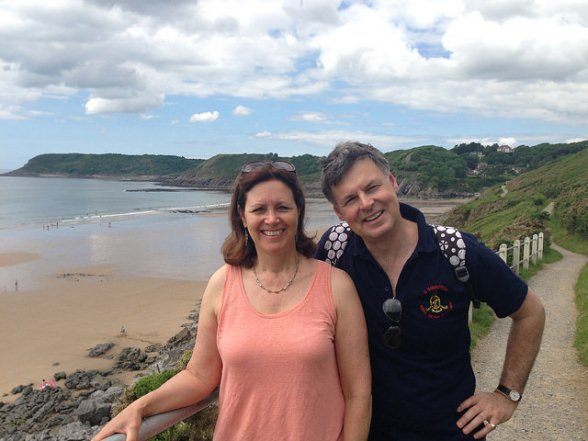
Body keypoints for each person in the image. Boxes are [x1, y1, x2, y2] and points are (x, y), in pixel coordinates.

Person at [92, 160, 371, 441]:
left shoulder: (336, 286)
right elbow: (200, 376)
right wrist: (139, 407)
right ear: (242, 215)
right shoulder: (221, 284)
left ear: (299, 211)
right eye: (259, 209)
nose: (272, 219)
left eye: (283, 207)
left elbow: (358, 394)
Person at [315, 142, 545, 441]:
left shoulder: (457, 251)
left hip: (449, 432)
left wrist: (506, 394)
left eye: (372, 187)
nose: (366, 203)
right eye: (350, 199)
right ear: (338, 212)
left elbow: (530, 313)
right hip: (363, 432)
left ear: (393, 182)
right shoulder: (335, 250)